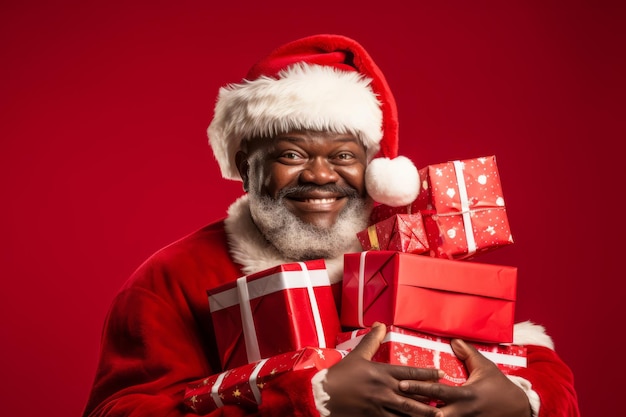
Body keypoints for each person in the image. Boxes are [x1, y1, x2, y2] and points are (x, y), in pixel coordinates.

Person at [81, 34, 580, 417]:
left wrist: (521, 400)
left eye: (343, 155)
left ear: (374, 168)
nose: (320, 175)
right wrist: (306, 399)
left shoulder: (414, 250)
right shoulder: (173, 277)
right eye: (292, 154)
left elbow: (536, 365)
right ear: (244, 161)